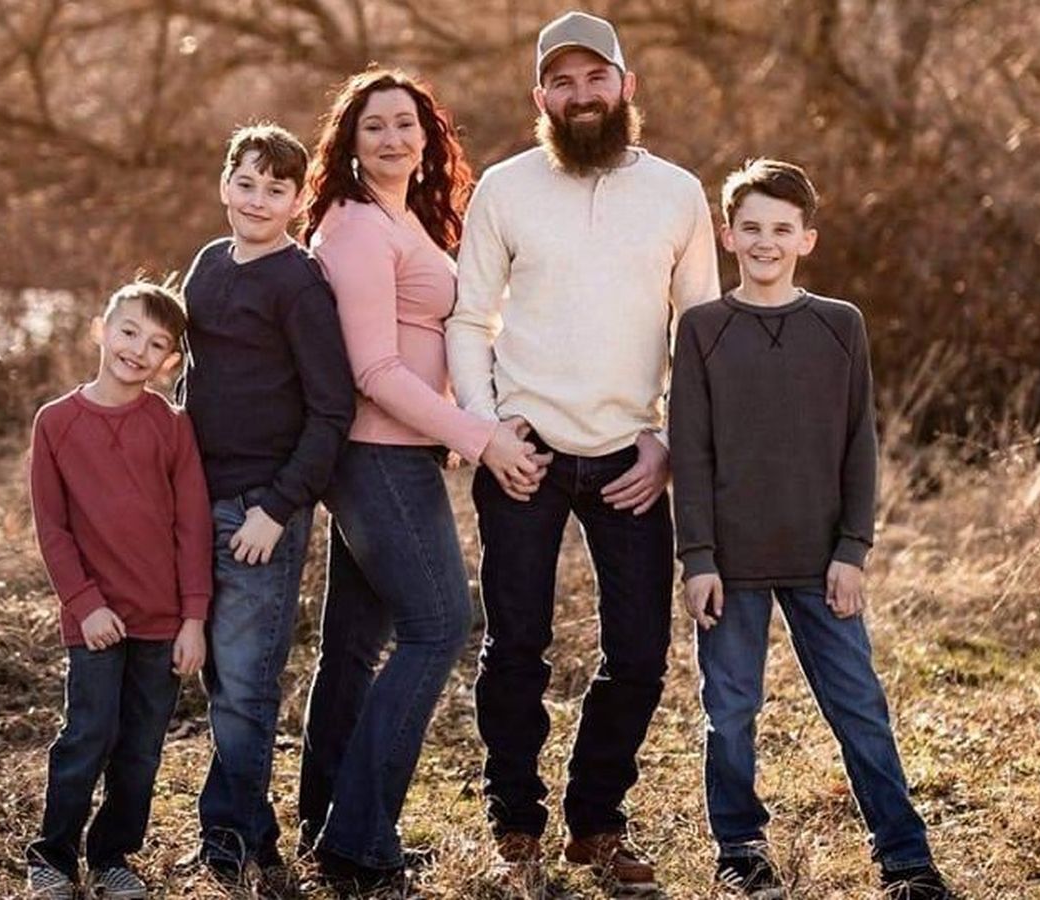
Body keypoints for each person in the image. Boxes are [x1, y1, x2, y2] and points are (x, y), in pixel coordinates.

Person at [446, 11, 722, 892]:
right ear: (541, 98)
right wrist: (487, 429)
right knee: (515, 648)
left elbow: (699, 333)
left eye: (596, 77)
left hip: (629, 459)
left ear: (626, 86)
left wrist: (668, 443)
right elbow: (467, 319)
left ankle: (596, 823)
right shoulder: (505, 188)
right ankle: (515, 827)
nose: (582, 95)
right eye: (562, 83)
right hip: (523, 451)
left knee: (639, 654)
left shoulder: (677, 193)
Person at [670, 158, 958, 900]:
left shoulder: (839, 325)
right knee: (730, 710)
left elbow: (859, 444)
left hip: (822, 559)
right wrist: (697, 557)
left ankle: (906, 858)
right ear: (728, 236)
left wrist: (853, 550)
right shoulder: (702, 330)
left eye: (781, 229)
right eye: (751, 227)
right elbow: (690, 452)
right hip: (730, 565)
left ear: (807, 239)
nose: (765, 242)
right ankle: (740, 848)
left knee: (859, 707)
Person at [296, 68, 545, 891]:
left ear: (428, 135)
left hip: (394, 454)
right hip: (377, 456)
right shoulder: (358, 227)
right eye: (374, 126)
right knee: (439, 625)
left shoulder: (400, 217)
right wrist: (480, 438)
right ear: (349, 141)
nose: (392, 138)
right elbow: (373, 369)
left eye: (406, 123)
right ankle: (360, 840)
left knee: (352, 647)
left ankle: (327, 825)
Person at [179, 123, 356, 889]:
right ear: (225, 183)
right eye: (245, 183)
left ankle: (231, 842)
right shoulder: (207, 264)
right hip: (195, 498)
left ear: (296, 200)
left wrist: (278, 509)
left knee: (247, 684)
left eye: (275, 189)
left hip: (259, 510)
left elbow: (332, 411)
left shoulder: (299, 283)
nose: (257, 200)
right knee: (219, 678)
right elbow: (192, 378)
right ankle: (250, 834)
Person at [25, 281, 212, 900]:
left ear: (171, 361)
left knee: (140, 748)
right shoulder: (56, 423)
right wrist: (84, 605)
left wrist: (193, 619)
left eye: (157, 344)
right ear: (101, 331)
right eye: (129, 331)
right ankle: (53, 856)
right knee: (88, 736)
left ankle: (112, 857)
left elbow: (192, 525)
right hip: (96, 621)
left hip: (162, 621)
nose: (138, 349)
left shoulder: (171, 425)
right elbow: (52, 528)